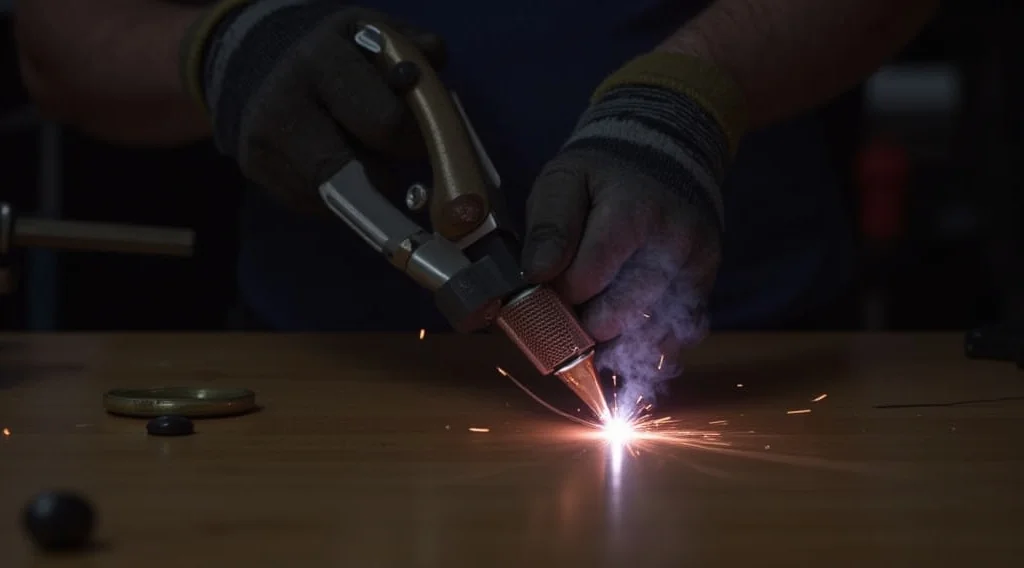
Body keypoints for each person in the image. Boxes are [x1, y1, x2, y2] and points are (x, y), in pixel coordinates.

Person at [14, 0, 938, 383]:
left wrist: (688, 99)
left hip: (764, 349)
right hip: (316, 389)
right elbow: (53, 39)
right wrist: (221, 50)